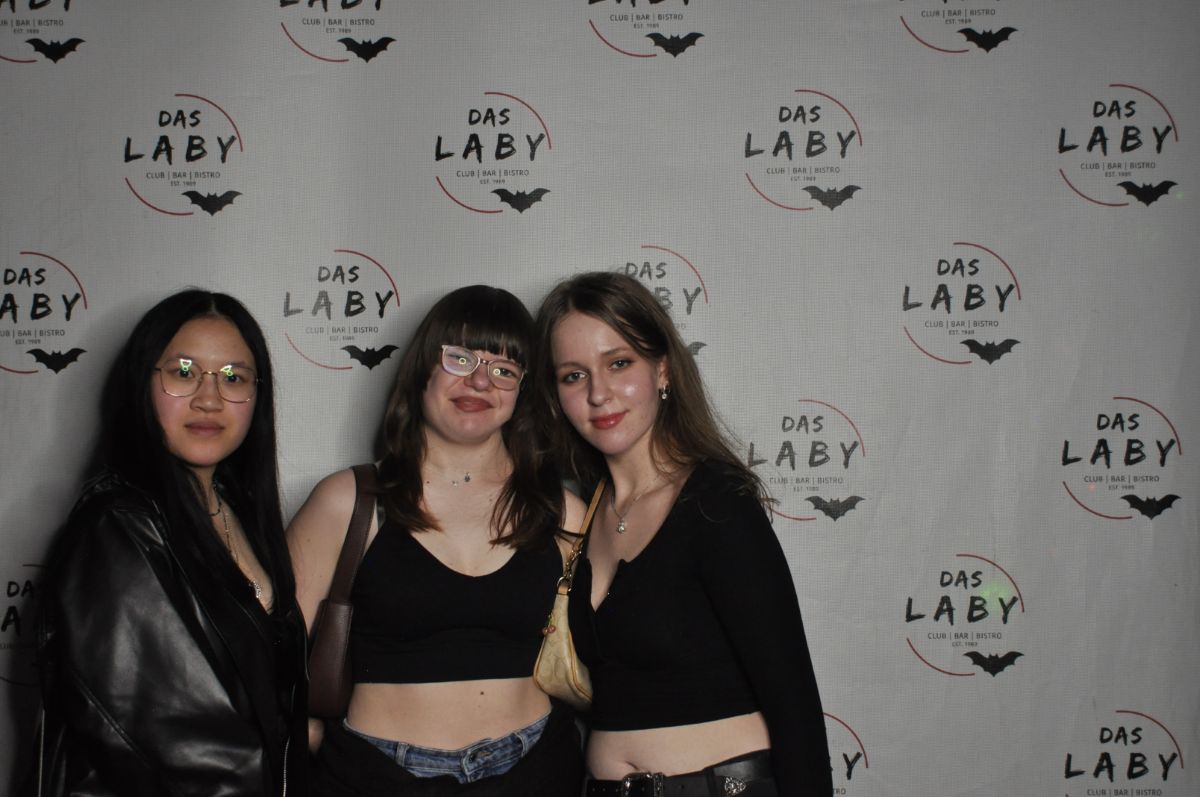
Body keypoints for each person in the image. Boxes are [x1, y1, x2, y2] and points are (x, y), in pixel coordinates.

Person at [534, 271, 832, 797]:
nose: (599, 394)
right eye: (574, 376)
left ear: (663, 370)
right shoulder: (585, 513)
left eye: (619, 363)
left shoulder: (716, 502)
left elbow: (793, 699)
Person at [288, 285, 585, 796]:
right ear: (424, 366)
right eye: (460, 357)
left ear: (523, 392)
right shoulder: (347, 502)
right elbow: (274, 657)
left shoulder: (562, 511)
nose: (479, 380)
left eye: (504, 369)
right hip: (374, 777)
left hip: (537, 770)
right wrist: (303, 737)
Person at [33, 289, 309, 797]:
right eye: (183, 372)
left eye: (233, 378)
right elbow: (177, 746)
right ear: (142, 382)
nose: (210, 398)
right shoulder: (116, 526)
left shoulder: (234, 507)